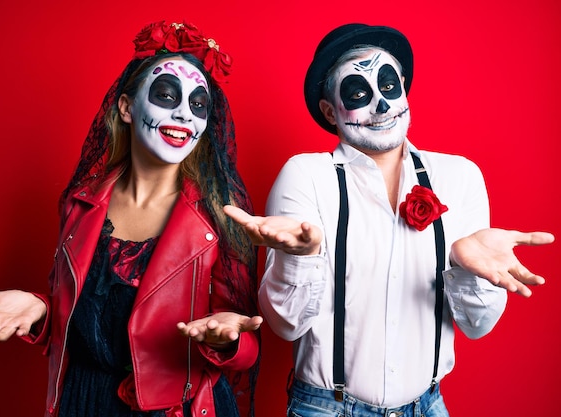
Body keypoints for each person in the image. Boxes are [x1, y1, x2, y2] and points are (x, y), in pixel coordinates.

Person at [223, 23, 554, 416]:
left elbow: (477, 327)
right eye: (358, 93)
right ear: (330, 110)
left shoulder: (459, 176)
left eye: (388, 86)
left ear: (403, 89)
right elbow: (285, 326)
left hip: (426, 407)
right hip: (327, 408)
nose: (381, 105)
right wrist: (300, 256)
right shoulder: (307, 176)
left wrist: (468, 269)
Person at [0, 20, 263, 417]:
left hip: (174, 408)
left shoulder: (221, 217)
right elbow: (80, 320)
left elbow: (246, 344)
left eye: (199, 104)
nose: (186, 115)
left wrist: (225, 339)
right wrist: (39, 310)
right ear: (126, 108)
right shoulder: (80, 203)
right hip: (84, 401)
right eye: (167, 95)